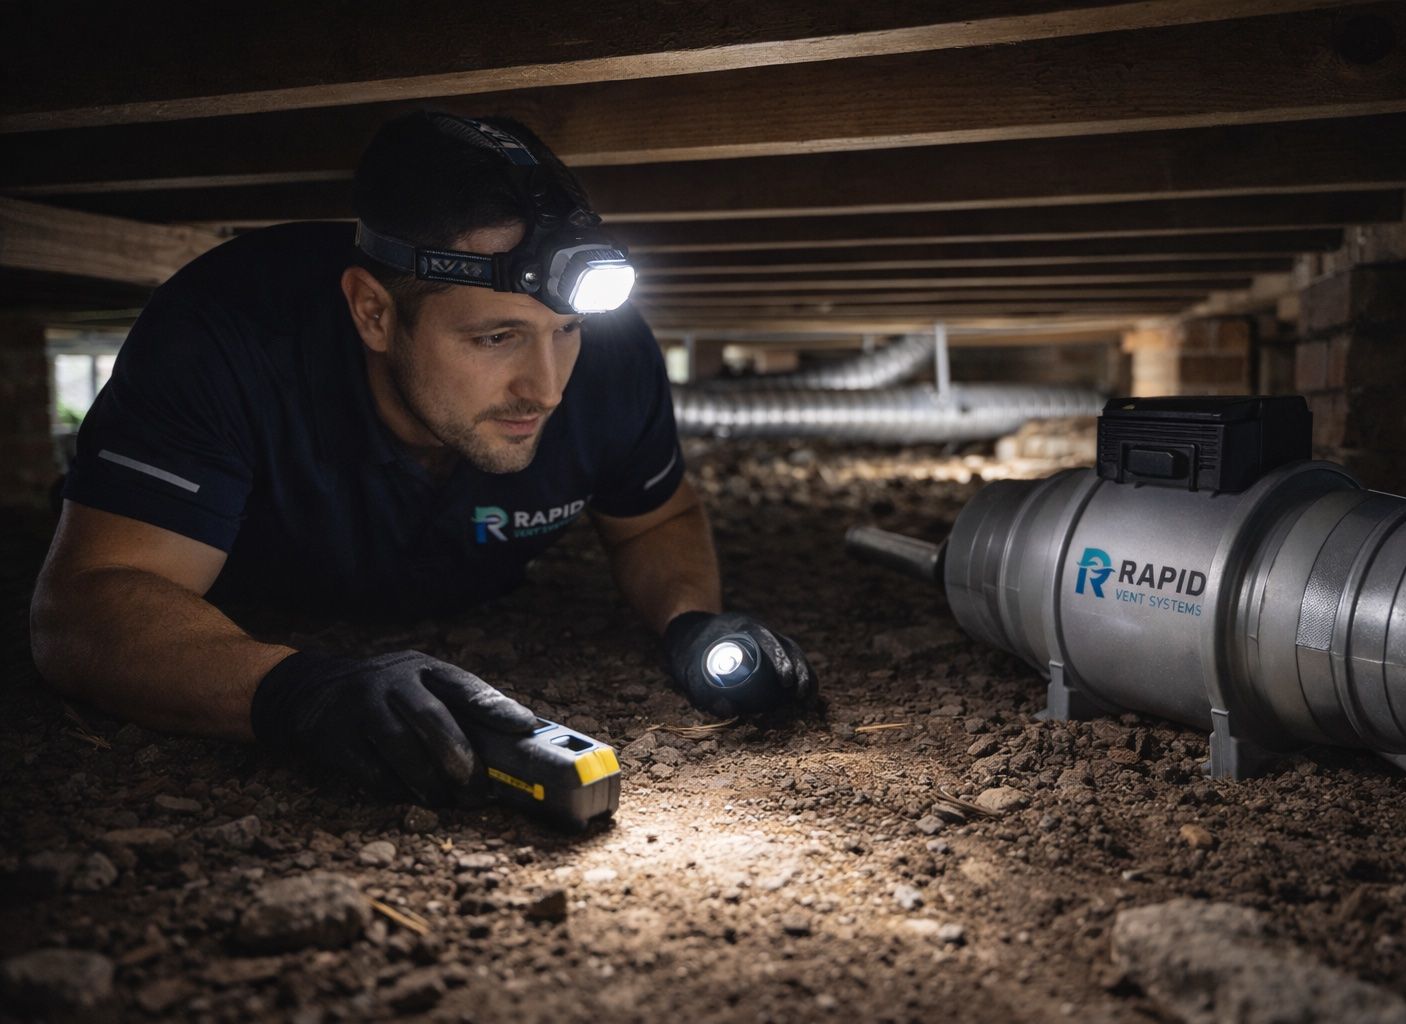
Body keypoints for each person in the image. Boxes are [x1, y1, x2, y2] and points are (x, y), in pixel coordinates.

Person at [29, 112, 817, 806]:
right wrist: (295, 691)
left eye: (566, 330)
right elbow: (86, 605)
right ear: (373, 312)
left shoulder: (610, 359)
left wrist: (689, 620)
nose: (545, 388)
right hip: (236, 603)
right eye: (495, 337)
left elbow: (657, 519)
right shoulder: (225, 336)